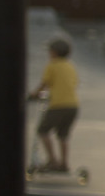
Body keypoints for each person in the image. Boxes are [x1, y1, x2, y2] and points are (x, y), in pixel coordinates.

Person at [28, 37, 80, 172]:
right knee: (63, 135)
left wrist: (33, 95)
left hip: (58, 105)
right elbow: (73, 84)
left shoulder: (52, 65)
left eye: (50, 51)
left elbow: (44, 84)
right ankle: (64, 164)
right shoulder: (70, 66)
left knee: (43, 131)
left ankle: (53, 161)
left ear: (55, 52)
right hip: (73, 106)